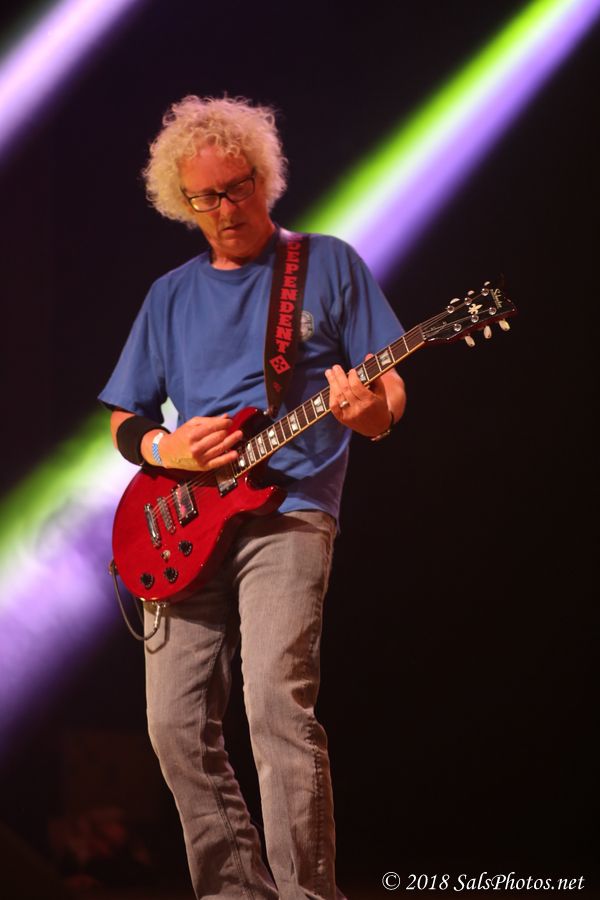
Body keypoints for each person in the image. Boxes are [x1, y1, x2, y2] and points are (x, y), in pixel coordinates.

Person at [99, 95, 406, 900]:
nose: (225, 208)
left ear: (264, 179)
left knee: (274, 705)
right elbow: (126, 419)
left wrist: (367, 413)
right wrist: (166, 448)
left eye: (236, 188)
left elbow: (387, 390)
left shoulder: (327, 263)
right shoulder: (170, 295)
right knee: (173, 727)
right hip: (184, 519)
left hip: (292, 505)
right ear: (181, 201)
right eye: (204, 197)